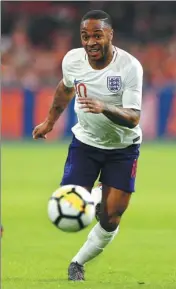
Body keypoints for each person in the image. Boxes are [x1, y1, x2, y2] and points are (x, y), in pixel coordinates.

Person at [32, 10, 143, 281]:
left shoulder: (129, 67)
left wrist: (104, 106)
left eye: (97, 35)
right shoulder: (72, 60)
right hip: (86, 144)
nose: (91, 41)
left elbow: (133, 117)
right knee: (69, 204)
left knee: (111, 218)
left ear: (110, 35)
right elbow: (65, 88)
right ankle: (97, 194)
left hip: (123, 148)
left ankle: (77, 262)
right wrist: (49, 122)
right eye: (85, 36)